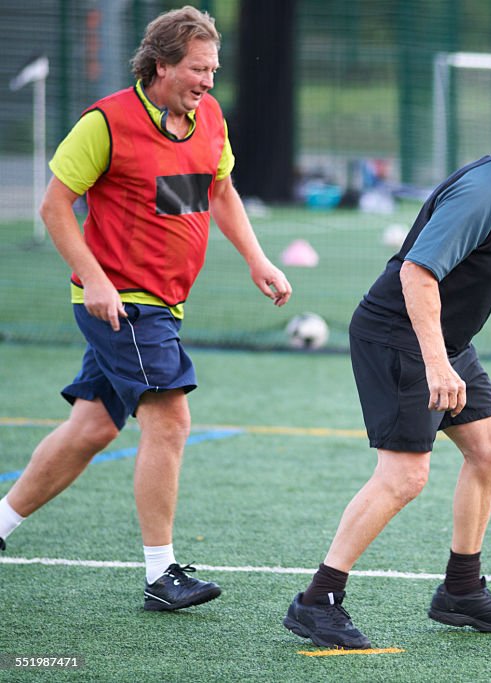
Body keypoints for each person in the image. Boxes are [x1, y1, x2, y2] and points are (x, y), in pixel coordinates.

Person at [282, 91, 491, 649]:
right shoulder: (481, 194)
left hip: (445, 341)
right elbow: (416, 276)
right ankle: (317, 601)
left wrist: (446, 353)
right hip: (401, 338)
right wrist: (436, 363)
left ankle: (460, 591)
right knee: (404, 477)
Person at [0, 6, 292, 608]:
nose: (209, 81)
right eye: (197, 69)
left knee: (90, 429)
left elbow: (218, 191)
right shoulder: (105, 122)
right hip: (124, 304)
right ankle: (161, 575)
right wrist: (94, 278)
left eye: (213, 69)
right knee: (170, 420)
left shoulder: (207, 118)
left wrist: (257, 260)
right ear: (160, 65)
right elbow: (56, 207)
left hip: (165, 301)